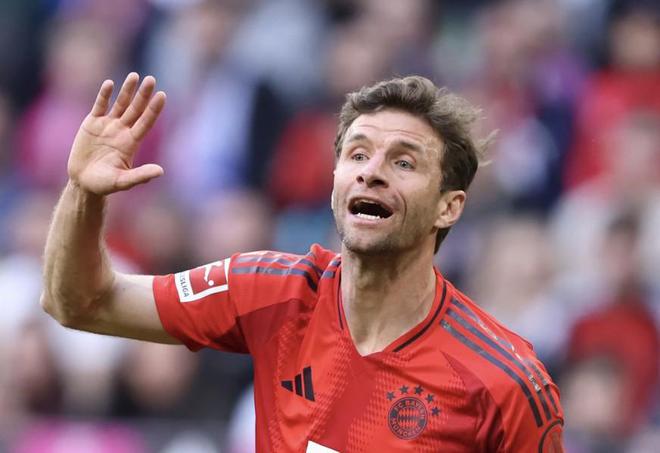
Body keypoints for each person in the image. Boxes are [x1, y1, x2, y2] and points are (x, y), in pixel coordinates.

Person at [41, 73, 564, 451]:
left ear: (449, 207)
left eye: (403, 161)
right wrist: (84, 193)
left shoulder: (506, 384)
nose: (371, 172)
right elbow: (81, 303)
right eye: (357, 154)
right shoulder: (271, 291)